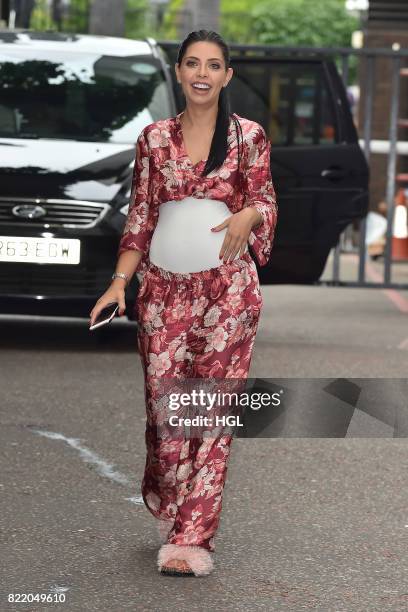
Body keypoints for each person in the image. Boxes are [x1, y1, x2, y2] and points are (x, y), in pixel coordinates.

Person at [89, 29, 278, 577]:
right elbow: (142, 214)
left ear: (227, 75)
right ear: (178, 72)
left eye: (213, 65)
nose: (202, 73)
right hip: (162, 293)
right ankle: (169, 496)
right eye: (192, 63)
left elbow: (265, 199)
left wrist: (250, 215)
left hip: (229, 293)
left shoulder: (248, 138)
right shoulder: (154, 139)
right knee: (165, 410)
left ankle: (192, 538)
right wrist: (120, 282)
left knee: (210, 412)